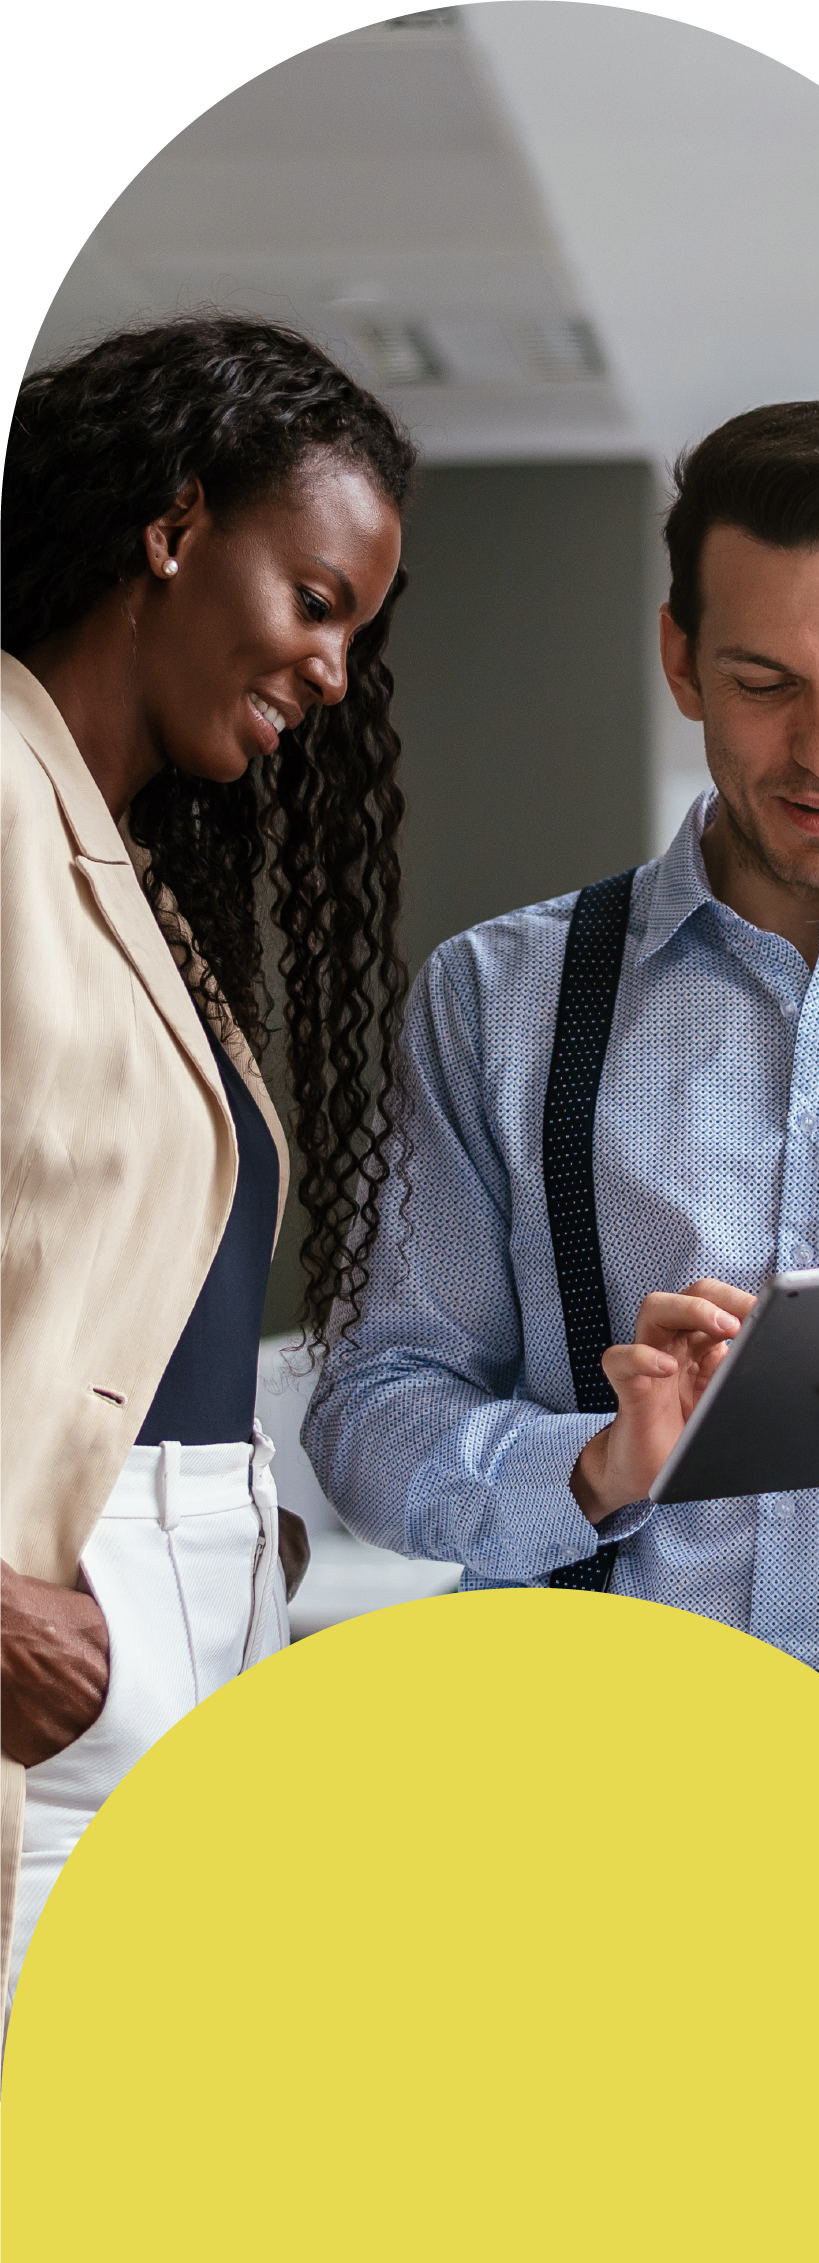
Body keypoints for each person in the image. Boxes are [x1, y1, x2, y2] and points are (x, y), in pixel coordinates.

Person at [306, 397, 819, 2069]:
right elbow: (371, 1412)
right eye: (764, 683)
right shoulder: (499, 999)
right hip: (598, 1779)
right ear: (674, 656)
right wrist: (595, 1469)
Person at [0, 314, 414, 2043]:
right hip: (48, 1679)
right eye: (314, 603)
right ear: (173, 530)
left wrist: (231, 1531)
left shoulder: (132, 862)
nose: (332, 673)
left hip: (208, 1637)